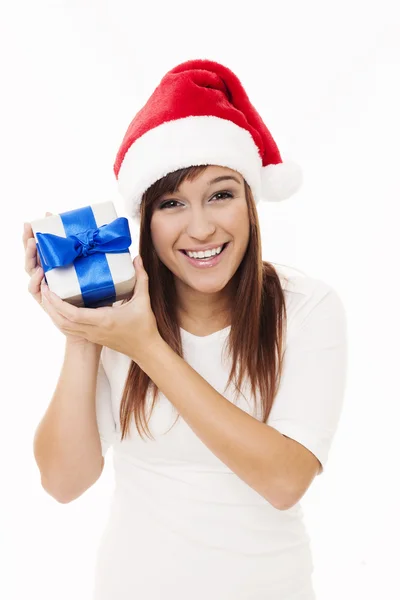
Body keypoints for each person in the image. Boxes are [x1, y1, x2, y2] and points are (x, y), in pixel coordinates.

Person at [25, 59, 348, 600]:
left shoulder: (307, 308)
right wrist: (82, 326)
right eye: (172, 203)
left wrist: (146, 346)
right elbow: (63, 482)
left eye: (220, 195)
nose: (200, 228)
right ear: (145, 221)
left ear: (251, 202)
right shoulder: (123, 312)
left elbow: (285, 481)